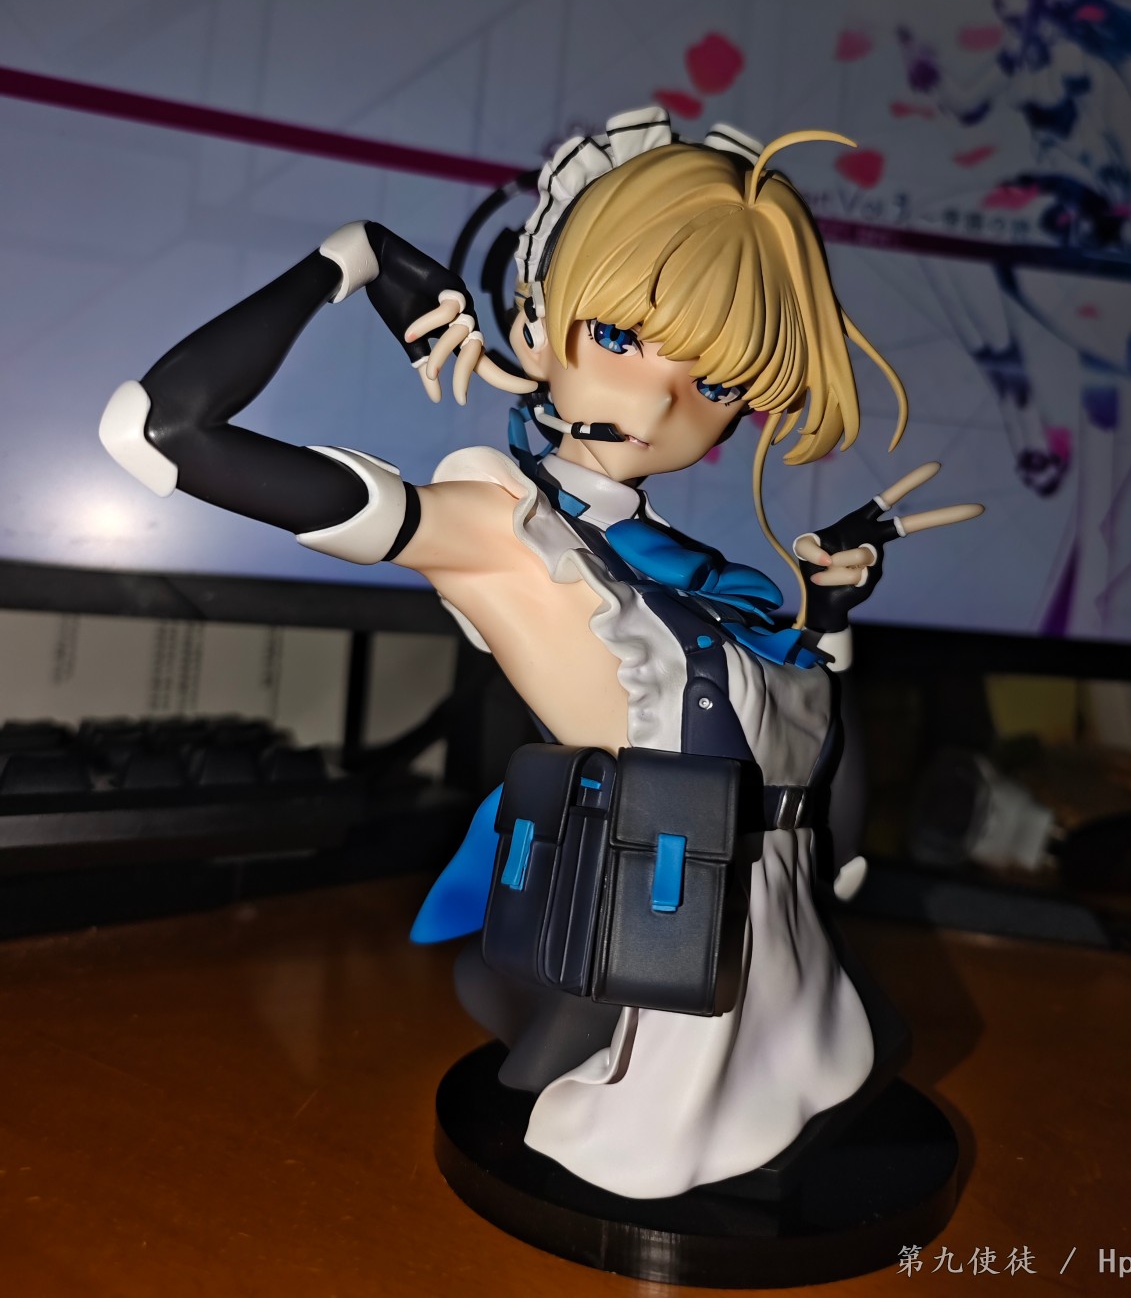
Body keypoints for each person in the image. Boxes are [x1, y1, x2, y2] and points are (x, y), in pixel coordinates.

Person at [100, 105, 979, 1199]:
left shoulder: (704, 572)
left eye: (714, 381)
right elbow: (159, 432)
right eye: (618, 337)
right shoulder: (498, 525)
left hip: (798, 977)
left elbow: (799, 745)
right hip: (661, 977)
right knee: (635, 1155)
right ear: (537, 320)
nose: (658, 399)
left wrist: (830, 613)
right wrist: (355, 260)